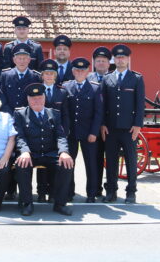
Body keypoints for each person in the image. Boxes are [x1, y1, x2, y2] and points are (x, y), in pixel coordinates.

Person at [14, 83, 74, 216]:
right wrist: (24, 151)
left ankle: (60, 203)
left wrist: (64, 152)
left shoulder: (54, 113)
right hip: (31, 154)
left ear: (44, 98)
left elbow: (60, 136)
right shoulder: (20, 114)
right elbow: (20, 136)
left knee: (66, 165)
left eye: (39, 97)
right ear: (28, 99)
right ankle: (27, 203)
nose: (36, 100)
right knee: (21, 165)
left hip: (50, 153)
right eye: (33, 98)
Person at [100, 44, 145, 204]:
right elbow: (102, 104)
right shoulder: (107, 78)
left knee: (131, 161)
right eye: (118, 57)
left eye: (123, 57)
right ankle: (111, 191)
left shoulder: (137, 79)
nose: (120, 60)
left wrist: (138, 125)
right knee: (111, 161)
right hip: (111, 128)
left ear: (128, 59)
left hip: (129, 128)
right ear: (114, 59)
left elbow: (140, 105)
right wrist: (103, 124)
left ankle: (131, 191)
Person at [62, 58, 103, 203]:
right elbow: (64, 111)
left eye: (83, 70)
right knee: (69, 164)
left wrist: (94, 133)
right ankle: (69, 192)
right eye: (77, 70)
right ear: (73, 71)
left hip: (88, 133)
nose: (79, 72)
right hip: (71, 133)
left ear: (87, 72)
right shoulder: (66, 87)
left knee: (91, 163)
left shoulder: (95, 88)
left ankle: (91, 194)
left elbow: (98, 113)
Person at [37, 58, 68, 202]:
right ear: (42, 75)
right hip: (40, 133)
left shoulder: (62, 92)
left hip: (57, 133)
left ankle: (53, 192)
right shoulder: (37, 91)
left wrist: (65, 132)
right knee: (41, 166)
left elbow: (66, 114)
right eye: (46, 73)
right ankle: (41, 192)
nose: (49, 76)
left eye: (52, 73)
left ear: (55, 76)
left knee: (54, 164)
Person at [87, 46, 112, 198]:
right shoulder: (88, 78)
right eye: (98, 61)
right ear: (94, 63)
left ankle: (110, 188)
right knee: (95, 159)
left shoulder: (114, 78)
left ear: (109, 63)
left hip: (110, 127)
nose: (101, 63)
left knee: (110, 159)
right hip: (94, 127)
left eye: (104, 61)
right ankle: (95, 189)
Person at [0, 43, 41, 112]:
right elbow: (2, 97)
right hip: (9, 115)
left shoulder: (36, 77)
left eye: (24, 58)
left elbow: (37, 99)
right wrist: (9, 114)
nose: (22, 61)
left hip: (28, 116)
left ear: (29, 60)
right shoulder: (5, 75)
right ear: (14, 60)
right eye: (19, 58)